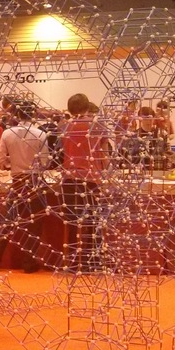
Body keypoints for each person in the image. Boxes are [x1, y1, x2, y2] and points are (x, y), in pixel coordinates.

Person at [0, 101, 50, 272]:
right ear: (34, 115)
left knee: (6, 222)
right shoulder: (41, 134)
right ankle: (28, 263)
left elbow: (0, 161)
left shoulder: (7, 134)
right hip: (34, 182)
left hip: (17, 181)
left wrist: (13, 164)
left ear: (16, 115)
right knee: (34, 224)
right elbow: (45, 162)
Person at [58, 93, 110, 272]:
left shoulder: (63, 126)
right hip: (91, 179)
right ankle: (92, 261)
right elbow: (104, 154)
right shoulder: (97, 125)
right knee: (93, 221)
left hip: (69, 179)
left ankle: (73, 263)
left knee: (72, 222)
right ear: (87, 107)